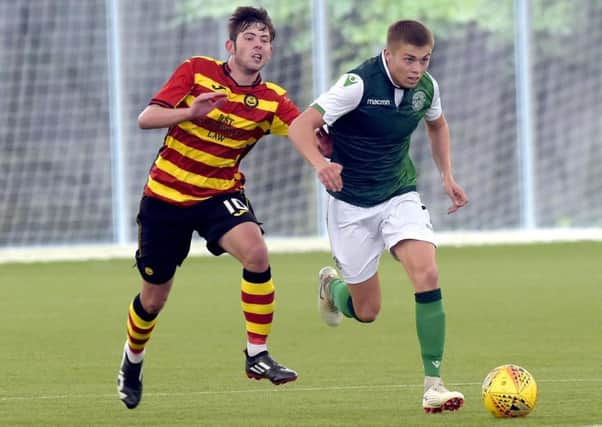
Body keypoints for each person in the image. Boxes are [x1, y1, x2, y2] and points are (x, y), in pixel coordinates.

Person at [116, 6, 300, 410]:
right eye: (250, 38)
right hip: (166, 197)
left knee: (256, 252)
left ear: (270, 51)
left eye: (265, 39)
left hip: (219, 194)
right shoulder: (196, 71)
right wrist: (192, 112)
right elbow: (147, 118)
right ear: (230, 46)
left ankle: (256, 354)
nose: (259, 45)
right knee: (154, 298)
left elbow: (307, 131)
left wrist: (335, 142)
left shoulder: (271, 100)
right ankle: (132, 361)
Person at [287, 19, 468, 413]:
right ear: (389, 54)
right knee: (366, 311)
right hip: (350, 203)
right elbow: (300, 125)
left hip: (398, 193)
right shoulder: (357, 84)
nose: (417, 68)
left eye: (424, 59)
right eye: (409, 59)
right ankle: (331, 289)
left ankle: (433, 385)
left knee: (428, 273)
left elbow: (438, 126)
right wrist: (321, 164)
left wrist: (447, 175)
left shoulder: (427, 88)